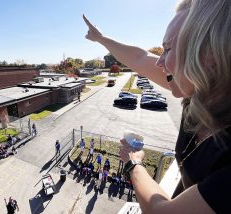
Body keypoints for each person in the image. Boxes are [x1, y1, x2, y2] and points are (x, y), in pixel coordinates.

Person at [84, 0, 231, 213]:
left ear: (211, 52)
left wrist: (134, 163)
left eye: (168, 48)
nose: (158, 62)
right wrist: (100, 38)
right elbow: (140, 57)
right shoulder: (200, 92)